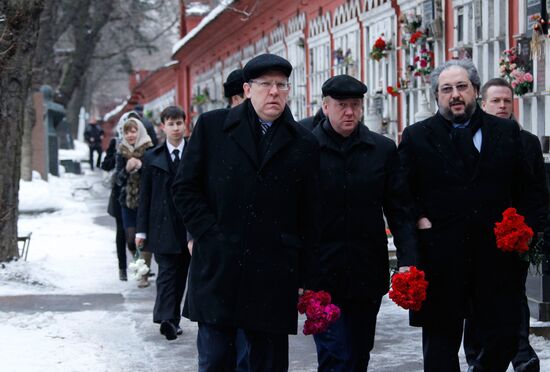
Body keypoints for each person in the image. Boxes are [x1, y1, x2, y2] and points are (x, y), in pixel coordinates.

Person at [172, 53, 321, 372]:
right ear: (247, 88)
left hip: (273, 272)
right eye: (265, 84)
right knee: (215, 360)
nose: (274, 92)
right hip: (219, 266)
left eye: (281, 85)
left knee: (265, 363)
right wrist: (208, 234)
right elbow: (185, 187)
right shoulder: (213, 128)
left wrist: (306, 275)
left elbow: (310, 213)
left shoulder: (303, 143)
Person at [397, 59, 545, 371]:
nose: (455, 94)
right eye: (446, 89)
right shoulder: (416, 136)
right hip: (440, 260)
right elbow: (403, 196)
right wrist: (419, 222)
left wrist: (525, 229)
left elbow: (530, 190)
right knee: (440, 347)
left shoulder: (506, 132)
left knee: (504, 338)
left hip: (496, 260)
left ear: (475, 91)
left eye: (461, 87)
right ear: (436, 96)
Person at [311, 74, 418, 371]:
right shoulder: (306, 149)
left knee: (358, 354)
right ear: (325, 106)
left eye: (355, 105)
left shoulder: (381, 150)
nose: (349, 112)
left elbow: (399, 208)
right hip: (321, 274)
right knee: (335, 355)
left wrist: (408, 258)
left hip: (365, 272)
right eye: (342, 105)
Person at [462, 77, 547, 372]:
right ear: (482, 104)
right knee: (475, 298)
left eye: (507, 101)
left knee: (514, 296)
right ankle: (476, 355)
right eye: (495, 101)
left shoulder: (527, 141)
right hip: (475, 236)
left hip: (515, 236)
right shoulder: (468, 137)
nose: (501, 106)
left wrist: (533, 228)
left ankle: (521, 355)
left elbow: (537, 188)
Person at [136, 105, 191, 340]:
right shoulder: (152, 157)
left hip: (189, 226)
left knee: (181, 275)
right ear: (163, 127)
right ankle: (167, 319)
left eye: (179, 123)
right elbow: (144, 196)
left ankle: (173, 318)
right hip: (162, 225)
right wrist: (141, 230)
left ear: (185, 125)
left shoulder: (195, 153)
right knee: (167, 273)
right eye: (171, 124)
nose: (176, 128)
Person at [115, 116, 154, 288]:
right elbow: (117, 180)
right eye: (127, 132)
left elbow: (154, 175)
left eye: (133, 131)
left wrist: (141, 166)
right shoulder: (121, 151)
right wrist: (127, 169)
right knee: (131, 240)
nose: (130, 135)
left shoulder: (150, 150)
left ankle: (143, 273)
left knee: (144, 238)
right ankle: (139, 265)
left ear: (140, 132)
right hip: (127, 202)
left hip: (146, 201)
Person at [102, 136, 129, 281]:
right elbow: (105, 165)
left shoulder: (145, 144)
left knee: (137, 236)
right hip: (120, 196)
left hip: (140, 198)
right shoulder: (116, 143)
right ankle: (122, 268)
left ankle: (142, 267)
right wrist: (116, 156)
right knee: (121, 233)